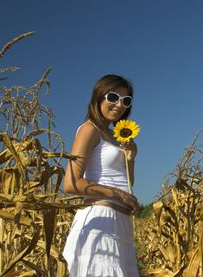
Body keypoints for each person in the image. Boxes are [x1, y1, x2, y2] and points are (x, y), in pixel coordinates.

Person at [62, 74, 140, 276]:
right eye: (113, 97)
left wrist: (130, 160)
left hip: (120, 225)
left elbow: (127, 183)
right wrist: (117, 194)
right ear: (98, 97)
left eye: (126, 100)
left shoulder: (116, 139)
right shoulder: (89, 129)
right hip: (100, 221)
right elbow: (70, 183)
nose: (119, 105)